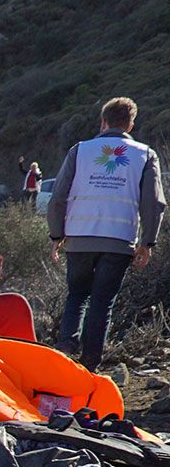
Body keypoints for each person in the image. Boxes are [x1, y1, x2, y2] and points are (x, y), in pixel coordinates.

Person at [48, 96, 165, 369]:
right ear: (131, 125)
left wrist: (56, 235)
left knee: (77, 295)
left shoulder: (80, 150)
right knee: (102, 301)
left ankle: (66, 346)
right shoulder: (145, 155)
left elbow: (58, 197)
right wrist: (148, 242)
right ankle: (90, 364)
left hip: (78, 238)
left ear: (103, 122)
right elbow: (154, 203)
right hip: (119, 240)